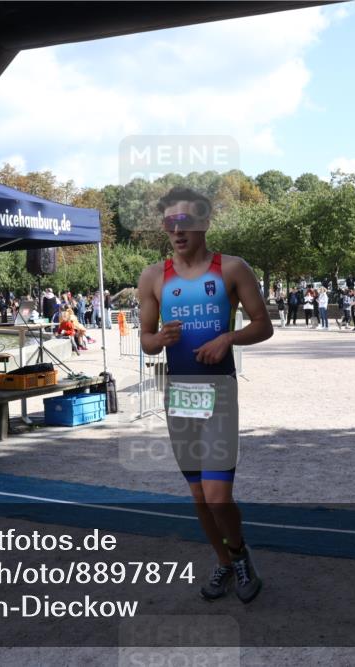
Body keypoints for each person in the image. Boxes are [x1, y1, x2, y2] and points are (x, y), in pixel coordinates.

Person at [138, 187, 273, 604]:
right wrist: (158, 338)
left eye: (185, 222)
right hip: (179, 391)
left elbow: (263, 325)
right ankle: (225, 561)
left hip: (218, 391)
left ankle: (239, 553)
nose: (177, 231)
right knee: (198, 495)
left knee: (218, 497)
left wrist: (228, 338)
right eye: (169, 223)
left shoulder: (231, 268)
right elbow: (145, 340)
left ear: (204, 224)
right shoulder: (153, 277)